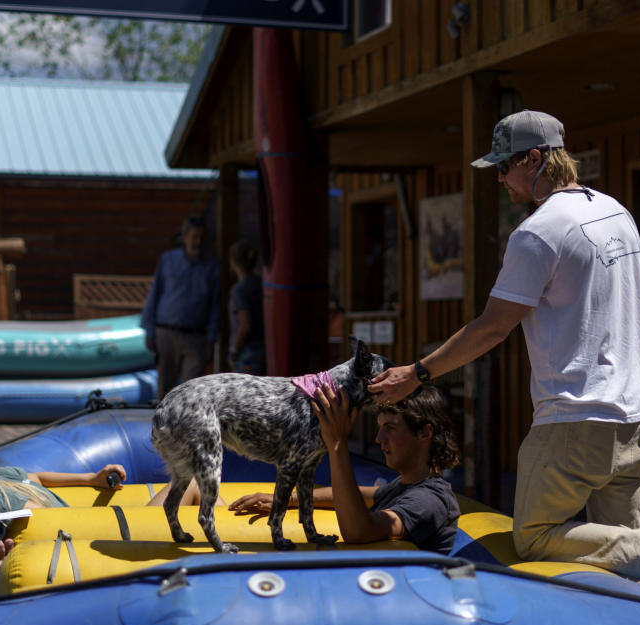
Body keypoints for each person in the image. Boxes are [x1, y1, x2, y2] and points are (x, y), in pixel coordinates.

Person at [367, 109, 640, 625]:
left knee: (533, 538)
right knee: (625, 563)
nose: (501, 179)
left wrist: (417, 373)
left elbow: (493, 327)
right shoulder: (618, 213)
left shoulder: (537, 233)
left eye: (505, 166)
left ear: (535, 159)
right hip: (636, 415)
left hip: (574, 416)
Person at [0, 448, 214, 579]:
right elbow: (41, 522)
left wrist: (92, 479)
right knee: (192, 478)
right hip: (105, 541)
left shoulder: (1, 476)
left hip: (103, 536)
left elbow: (38, 479)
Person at [228, 386, 461, 554]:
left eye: (389, 428)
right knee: (197, 488)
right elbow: (359, 495)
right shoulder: (406, 486)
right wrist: (290, 500)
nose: (379, 438)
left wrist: (337, 444)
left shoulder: (429, 500)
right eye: (380, 427)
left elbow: (359, 532)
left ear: (424, 434)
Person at [141, 216, 221, 395]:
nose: (197, 242)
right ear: (184, 237)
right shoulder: (168, 260)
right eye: (194, 237)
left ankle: (185, 424)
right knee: (165, 388)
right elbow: (154, 294)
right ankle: (163, 423)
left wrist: (211, 338)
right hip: (166, 333)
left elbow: (215, 306)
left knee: (191, 391)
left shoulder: (212, 267)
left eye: (201, 237)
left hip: (196, 336)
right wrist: (149, 330)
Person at [227, 240, 265, 375]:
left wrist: (234, 350)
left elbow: (245, 325)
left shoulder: (239, 290)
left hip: (247, 353)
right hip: (263, 351)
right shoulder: (261, 284)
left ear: (233, 262)